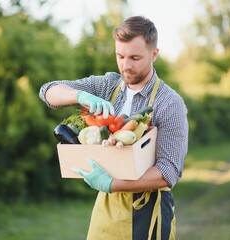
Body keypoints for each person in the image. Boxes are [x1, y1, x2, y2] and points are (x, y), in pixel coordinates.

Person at [39, 15, 188, 240]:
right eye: (120, 56)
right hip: (106, 206)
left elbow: (168, 172)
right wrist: (80, 95)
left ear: (154, 54)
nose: (126, 65)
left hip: (148, 211)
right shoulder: (108, 85)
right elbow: (48, 91)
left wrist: (112, 184)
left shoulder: (169, 103)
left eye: (135, 57)